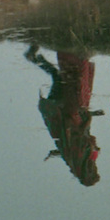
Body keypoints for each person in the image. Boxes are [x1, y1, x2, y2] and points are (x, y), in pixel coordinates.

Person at [25, 45, 101, 186]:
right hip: (58, 111)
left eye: (93, 172)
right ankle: (34, 58)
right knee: (57, 77)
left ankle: (54, 53)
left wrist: (88, 119)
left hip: (68, 109)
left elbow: (79, 134)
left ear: (87, 172)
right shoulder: (73, 160)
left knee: (72, 79)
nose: (94, 168)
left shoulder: (79, 157)